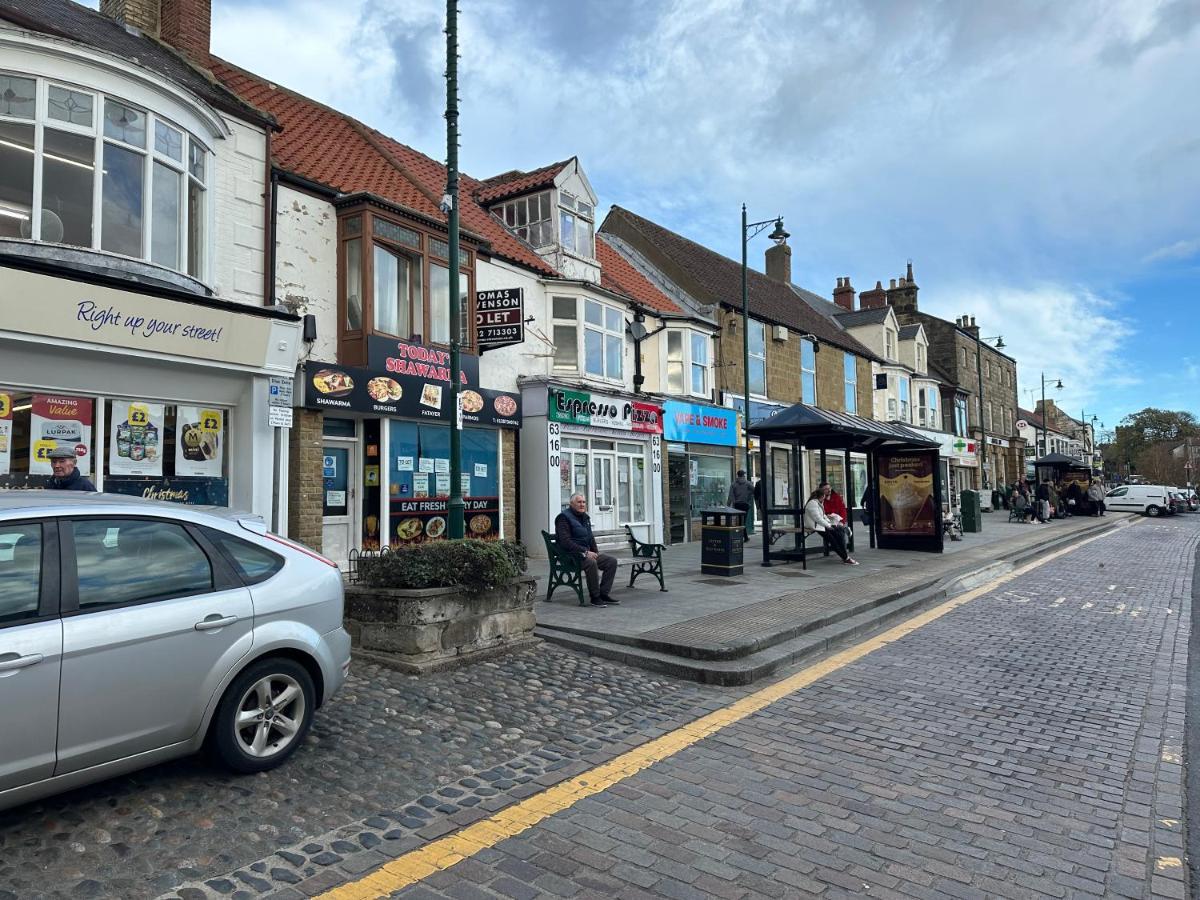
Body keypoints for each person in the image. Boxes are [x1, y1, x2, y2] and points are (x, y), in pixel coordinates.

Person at [554, 493, 618, 607]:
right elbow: (565, 542)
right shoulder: (563, 518)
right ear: (571, 504)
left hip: (585, 554)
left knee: (611, 561)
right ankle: (595, 597)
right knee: (591, 563)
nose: (582, 504)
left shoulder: (585, 517)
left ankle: (603, 594)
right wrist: (585, 552)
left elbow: (590, 537)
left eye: (583, 502)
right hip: (570, 556)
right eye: (579, 502)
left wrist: (595, 552)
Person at [804, 488, 858, 565]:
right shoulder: (812, 504)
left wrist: (829, 522)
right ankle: (846, 558)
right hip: (816, 526)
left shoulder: (818, 502)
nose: (824, 498)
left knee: (838, 535)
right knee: (833, 541)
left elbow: (822, 515)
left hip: (821, 525)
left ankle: (846, 556)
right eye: (824, 497)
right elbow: (817, 518)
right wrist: (828, 525)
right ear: (822, 496)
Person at [727, 469, 754, 539]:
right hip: (745, 504)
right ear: (743, 475)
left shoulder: (733, 484)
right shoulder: (748, 483)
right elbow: (754, 490)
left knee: (739, 521)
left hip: (737, 505)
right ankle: (744, 537)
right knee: (743, 521)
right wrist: (748, 497)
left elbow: (730, 496)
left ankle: (742, 536)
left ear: (738, 475)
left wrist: (728, 505)